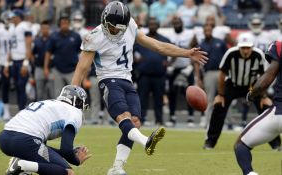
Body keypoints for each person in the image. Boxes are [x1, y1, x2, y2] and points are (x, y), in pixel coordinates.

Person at [71, 1, 208, 174]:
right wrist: (72, 93)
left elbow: (158, 45)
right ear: (104, 21)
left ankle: (116, 168)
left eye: (120, 28)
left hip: (127, 81)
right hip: (109, 80)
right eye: (113, 27)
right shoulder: (94, 36)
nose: (117, 31)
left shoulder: (129, 26)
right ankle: (146, 142)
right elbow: (82, 68)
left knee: (135, 122)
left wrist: (186, 53)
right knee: (124, 117)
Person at [203, 33, 281, 150]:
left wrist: (263, 96)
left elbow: (263, 75)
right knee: (219, 107)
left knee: (266, 108)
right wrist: (220, 95)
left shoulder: (258, 55)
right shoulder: (231, 53)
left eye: (248, 48)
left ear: (252, 47)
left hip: (251, 86)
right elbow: (222, 74)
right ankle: (210, 142)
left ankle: (276, 144)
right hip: (233, 85)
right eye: (243, 48)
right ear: (238, 47)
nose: (245, 51)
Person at [0, 85, 91, 175]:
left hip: (4, 138)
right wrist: (76, 160)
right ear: (79, 103)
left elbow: (41, 149)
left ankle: (23, 167)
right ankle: (23, 165)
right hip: (26, 141)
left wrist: (66, 153)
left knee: (47, 165)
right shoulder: (74, 112)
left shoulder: (48, 104)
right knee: (68, 173)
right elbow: (66, 150)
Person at [234, 40, 282, 175]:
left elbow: (266, 79)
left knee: (241, 145)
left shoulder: (279, 46)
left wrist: (251, 95)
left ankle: (250, 173)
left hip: (278, 113)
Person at [134, 17, 170, 126]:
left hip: (159, 75)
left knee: (159, 99)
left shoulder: (164, 39)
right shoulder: (142, 38)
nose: (153, 26)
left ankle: (159, 120)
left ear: (158, 26)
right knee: (142, 98)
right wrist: (136, 59)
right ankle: (142, 119)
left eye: (155, 24)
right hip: (144, 75)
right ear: (148, 25)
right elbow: (132, 50)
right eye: (151, 24)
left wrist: (169, 62)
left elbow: (172, 50)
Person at [195, 23, 228, 128]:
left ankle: (227, 122)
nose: (208, 32)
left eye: (209, 30)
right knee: (209, 98)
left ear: (212, 30)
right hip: (208, 73)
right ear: (204, 32)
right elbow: (198, 62)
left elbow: (227, 57)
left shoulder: (220, 42)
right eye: (206, 30)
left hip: (221, 72)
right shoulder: (201, 44)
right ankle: (207, 121)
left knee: (224, 96)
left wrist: (228, 73)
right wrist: (198, 77)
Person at [44, 14, 82, 97]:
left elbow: (81, 53)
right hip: (57, 70)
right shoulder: (54, 36)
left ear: (69, 24)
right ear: (59, 25)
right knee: (57, 95)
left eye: (66, 23)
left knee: (75, 95)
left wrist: (80, 69)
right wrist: (46, 67)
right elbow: (48, 52)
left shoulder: (76, 36)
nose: (64, 25)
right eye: (62, 23)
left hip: (72, 70)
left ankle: (74, 110)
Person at [4, 9, 33, 110]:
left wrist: (25, 63)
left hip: (22, 61)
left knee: (21, 86)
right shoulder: (12, 28)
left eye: (13, 16)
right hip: (14, 61)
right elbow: (10, 47)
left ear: (18, 17)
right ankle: (20, 110)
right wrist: (7, 64)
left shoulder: (24, 26)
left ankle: (22, 111)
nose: (12, 18)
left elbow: (29, 45)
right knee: (17, 87)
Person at [33, 20, 54, 100]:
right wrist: (34, 61)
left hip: (51, 69)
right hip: (39, 68)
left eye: (47, 28)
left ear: (49, 29)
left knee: (52, 93)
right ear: (41, 29)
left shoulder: (53, 40)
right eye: (43, 28)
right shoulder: (37, 41)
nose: (45, 30)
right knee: (39, 93)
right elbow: (32, 52)